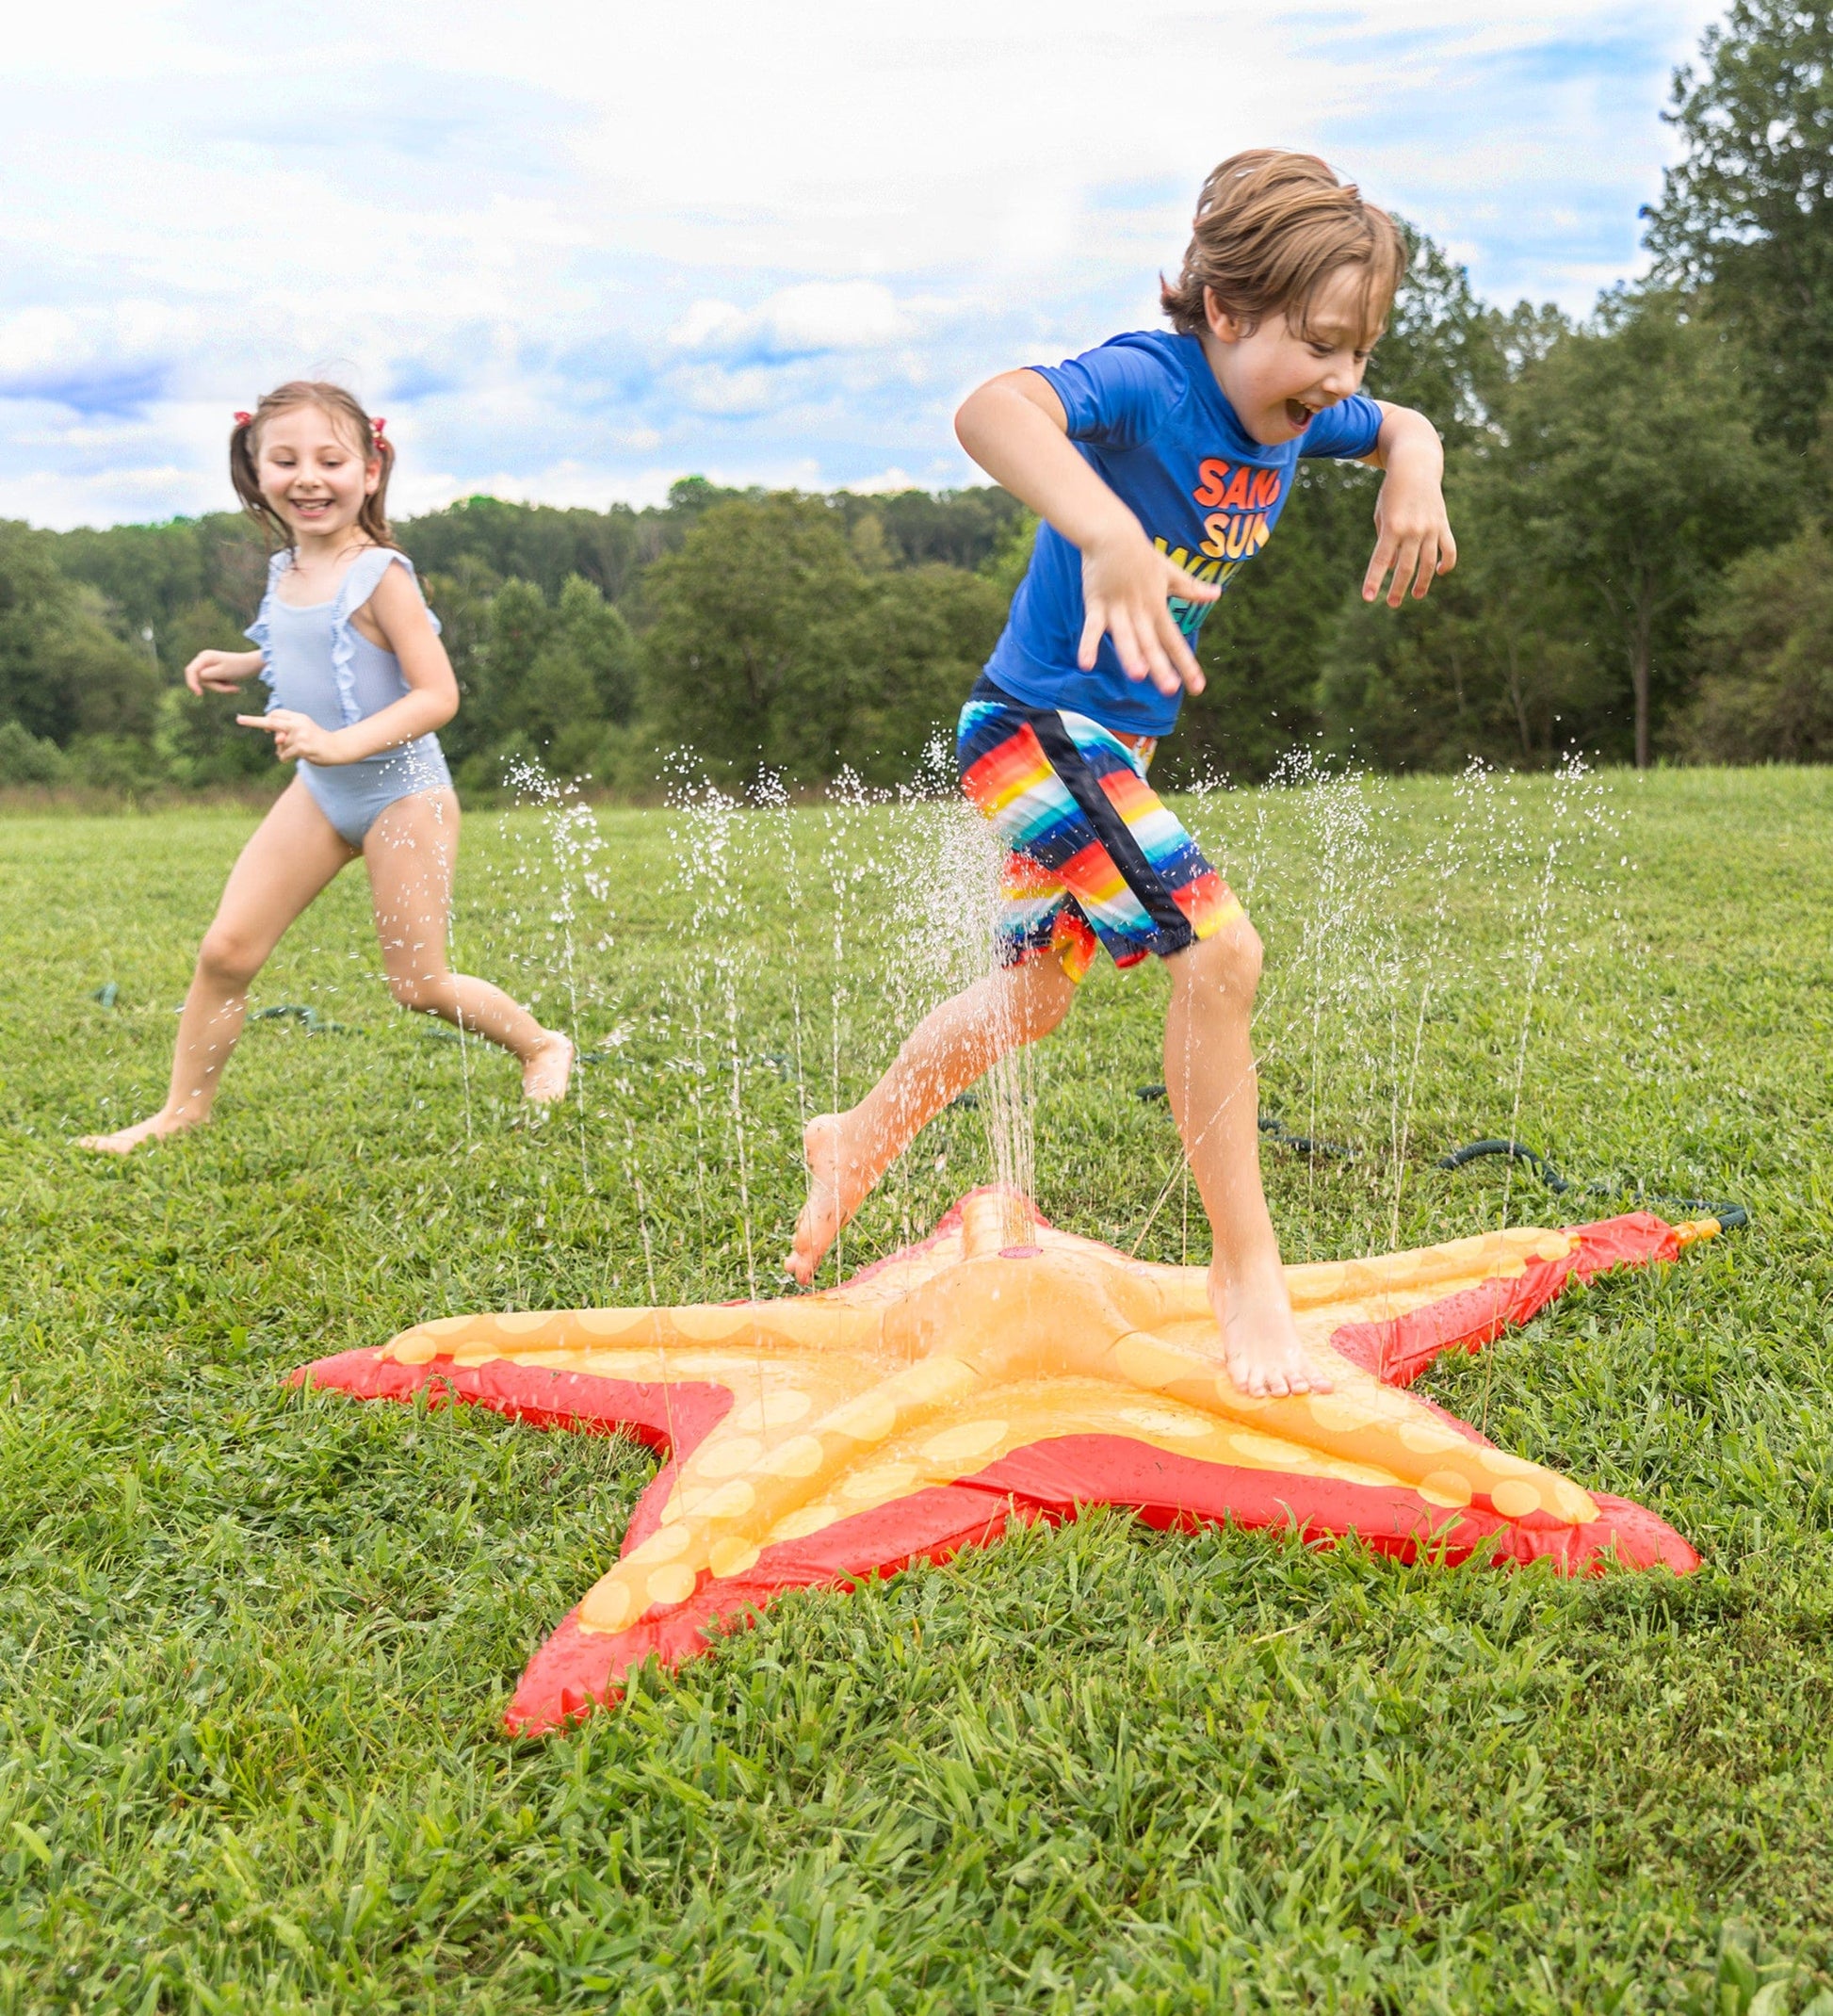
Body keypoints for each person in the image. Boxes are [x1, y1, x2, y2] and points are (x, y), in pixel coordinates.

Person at [786, 151, 1456, 1397]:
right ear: (1222, 311)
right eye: (1318, 344)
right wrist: (1102, 530)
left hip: (1097, 754)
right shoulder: (1153, 382)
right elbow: (991, 407)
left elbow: (1399, 422)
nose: (1340, 379)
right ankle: (1245, 1277)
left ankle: (858, 1132)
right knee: (1219, 954)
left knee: (1033, 1001)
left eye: (1356, 352)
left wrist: (1408, 466)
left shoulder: (1306, 411)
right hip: (1036, 732)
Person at [78, 381, 573, 1154]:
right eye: (286, 460)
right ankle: (183, 1111)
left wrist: (341, 743)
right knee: (226, 952)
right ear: (257, 472)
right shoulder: (286, 569)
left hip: (402, 796)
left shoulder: (384, 575)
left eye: (330, 459)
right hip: (319, 792)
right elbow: (308, 645)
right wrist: (244, 662)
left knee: (419, 986)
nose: (308, 476)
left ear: (370, 471)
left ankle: (542, 1045)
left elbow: (438, 693)